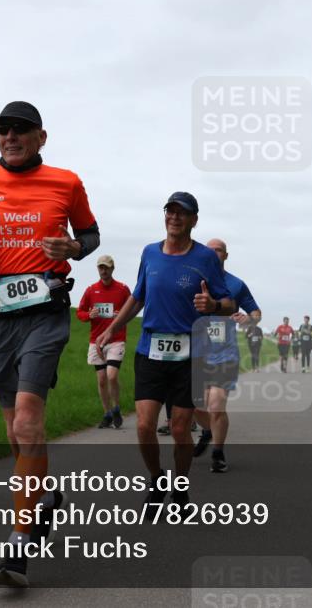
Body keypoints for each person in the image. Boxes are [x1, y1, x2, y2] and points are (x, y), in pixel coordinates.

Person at [0, 101, 100, 588]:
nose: (9, 137)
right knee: (16, 431)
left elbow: (91, 234)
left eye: (20, 130)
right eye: (2, 131)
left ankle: (19, 540)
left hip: (46, 308)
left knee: (30, 416)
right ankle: (45, 497)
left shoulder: (66, 181)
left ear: (41, 137)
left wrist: (74, 248)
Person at [95, 192, 233, 514]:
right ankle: (157, 481)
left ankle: (180, 488)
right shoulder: (149, 253)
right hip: (151, 350)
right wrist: (112, 328)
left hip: (190, 355)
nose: (174, 217)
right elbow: (138, 297)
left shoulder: (205, 259)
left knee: (181, 429)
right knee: (144, 426)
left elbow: (229, 304)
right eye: (170, 211)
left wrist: (212, 305)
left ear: (193, 220)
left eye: (182, 213)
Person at [192, 238, 261, 473]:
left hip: (225, 354)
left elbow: (256, 311)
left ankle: (218, 453)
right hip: (197, 354)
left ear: (225, 255)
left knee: (216, 405)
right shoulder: (194, 280)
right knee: (197, 407)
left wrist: (248, 319)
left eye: (218, 250)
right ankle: (208, 431)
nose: (213, 253)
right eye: (209, 250)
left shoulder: (236, 284)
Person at [76, 255, 130, 429]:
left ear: (112, 269)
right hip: (96, 340)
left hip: (116, 339)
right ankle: (107, 413)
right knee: (101, 380)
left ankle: (117, 408)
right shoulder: (91, 290)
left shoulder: (122, 289)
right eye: (101, 268)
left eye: (106, 268)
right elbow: (80, 312)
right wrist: (88, 315)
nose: (103, 271)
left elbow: (130, 310)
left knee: (112, 375)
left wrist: (119, 316)